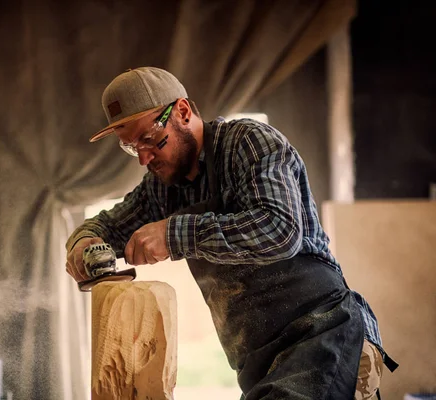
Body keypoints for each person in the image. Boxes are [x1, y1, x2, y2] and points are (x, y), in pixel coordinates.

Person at [65, 67, 397, 399]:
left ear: (182, 111)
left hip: (325, 336)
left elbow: (279, 229)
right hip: (260, 364)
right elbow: (104, 226)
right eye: (131, 147)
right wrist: (85, 244)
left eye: (150, 140)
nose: (143, 158)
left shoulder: (248, 143)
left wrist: (173, 235)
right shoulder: (162, 187)